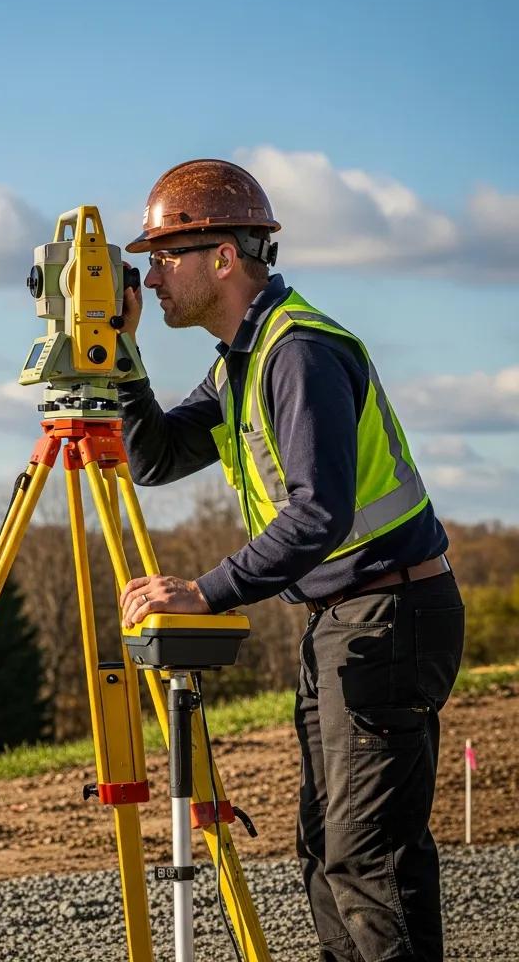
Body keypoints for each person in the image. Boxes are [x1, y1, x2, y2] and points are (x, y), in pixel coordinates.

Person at [115, 159, 465, 962]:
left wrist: (209, 590)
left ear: (225, 257)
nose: (154, 275)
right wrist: (125, 354)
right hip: (345, 619)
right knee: (326, 852)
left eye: (168, 255)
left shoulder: (296, 353)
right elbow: (158, 457)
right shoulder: (241, 360)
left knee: (366, 860)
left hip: (389, 613)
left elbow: (318, 512)